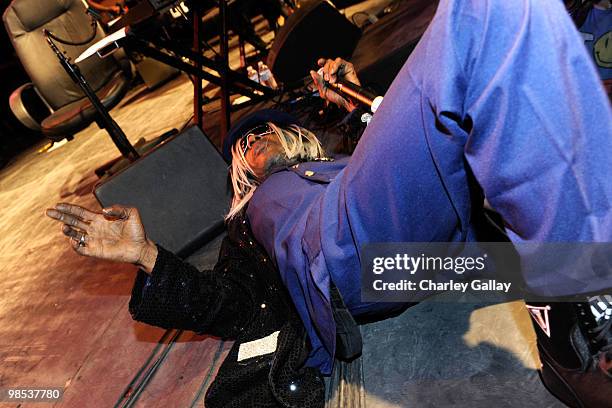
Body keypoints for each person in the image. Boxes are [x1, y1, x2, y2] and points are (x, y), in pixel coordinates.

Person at [47, 0, 611, 406]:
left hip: (430, 260)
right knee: (489, 11)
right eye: (242, 146)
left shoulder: (341, 159)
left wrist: (357, 95)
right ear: (239, 184)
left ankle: (569, 303)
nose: (251, 141)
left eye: (262, 132)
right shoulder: (249, 223)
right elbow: (230, 305)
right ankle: (578, 319)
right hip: (338, 254)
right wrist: (148, 256)